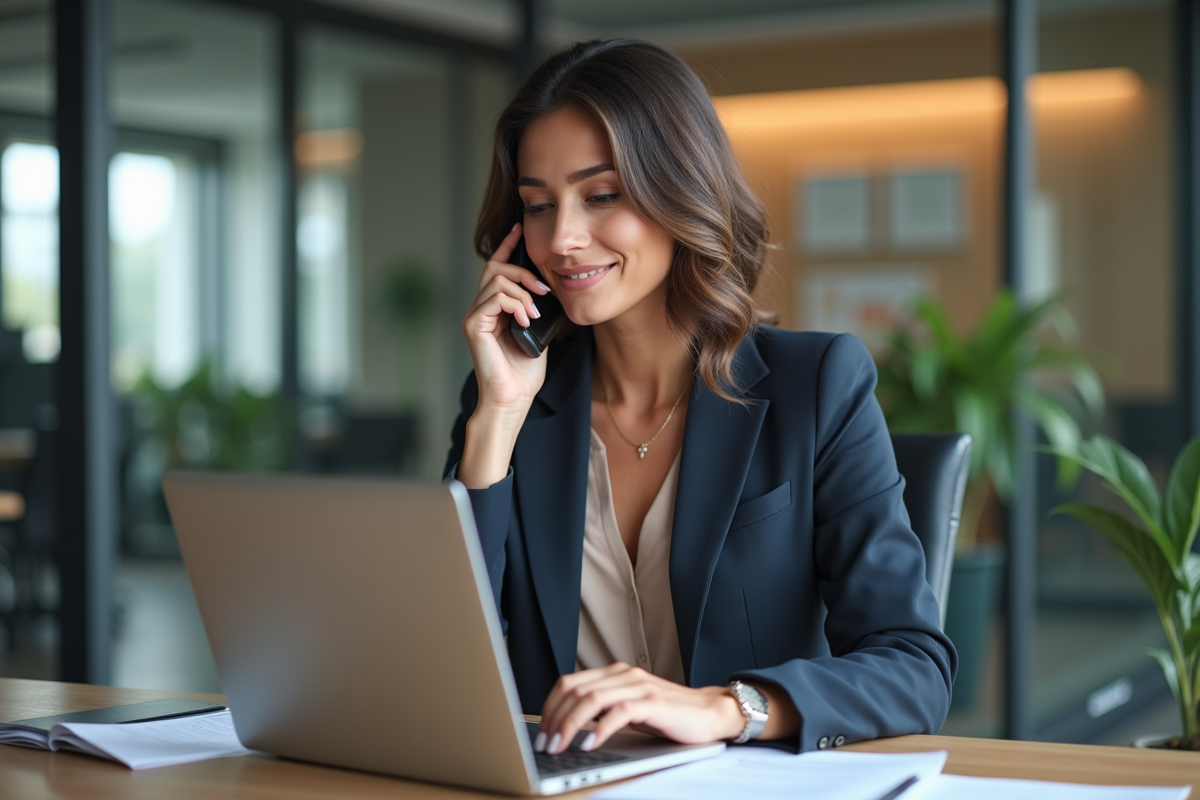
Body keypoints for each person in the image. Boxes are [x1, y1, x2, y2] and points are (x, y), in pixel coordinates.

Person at [444, 38, 956, 756]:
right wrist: (496, 417)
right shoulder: (512, 401)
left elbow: (914, 668)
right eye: (537, 205)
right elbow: (442, 653)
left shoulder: (817, 386)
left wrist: (725, 708)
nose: (562, 239)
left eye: (602, 195)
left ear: (679, 191)